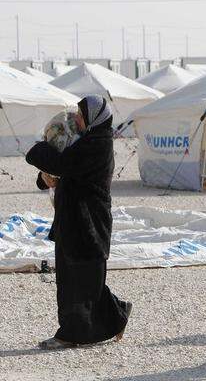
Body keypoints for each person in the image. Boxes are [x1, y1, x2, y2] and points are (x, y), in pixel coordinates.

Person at [25, 95, 132, 350]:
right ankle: (117, 313)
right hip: (73, 219)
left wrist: (39, 149)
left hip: (89, 222)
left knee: (81, 279)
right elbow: (61, 169)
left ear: (94, 118)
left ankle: (71, 334)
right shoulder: (85, 140)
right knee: (77, 277)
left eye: (83, 116)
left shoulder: (98, 144)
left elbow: (62, 163)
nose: (78, 120)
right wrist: (44, 177)